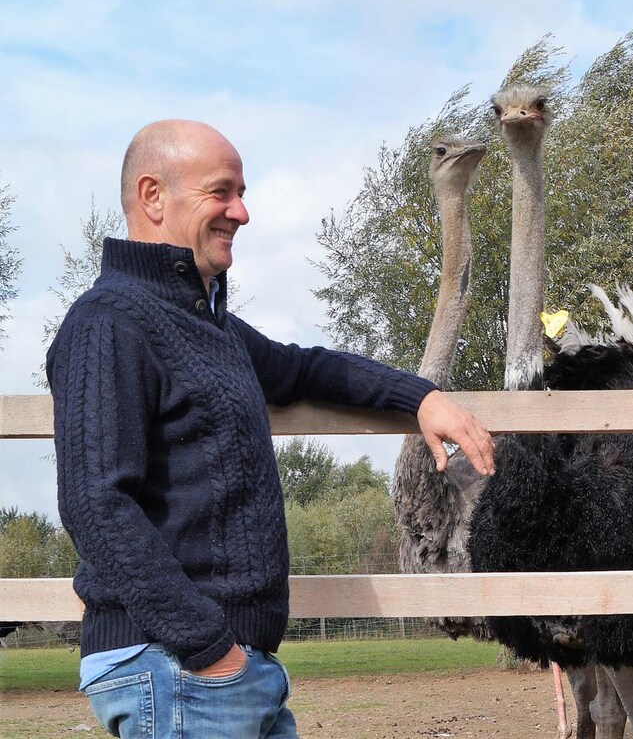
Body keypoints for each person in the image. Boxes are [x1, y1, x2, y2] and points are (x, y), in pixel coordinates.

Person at [48, 119, 496, 738]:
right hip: (178, 666)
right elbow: (97, 505)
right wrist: (209, 648)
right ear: (153, 196)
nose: (242, 212)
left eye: (241, 193)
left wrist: (419, 397)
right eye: (221, 192)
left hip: (215, 668)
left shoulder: (207, 328)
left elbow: (304, 368)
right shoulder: (109, 323)